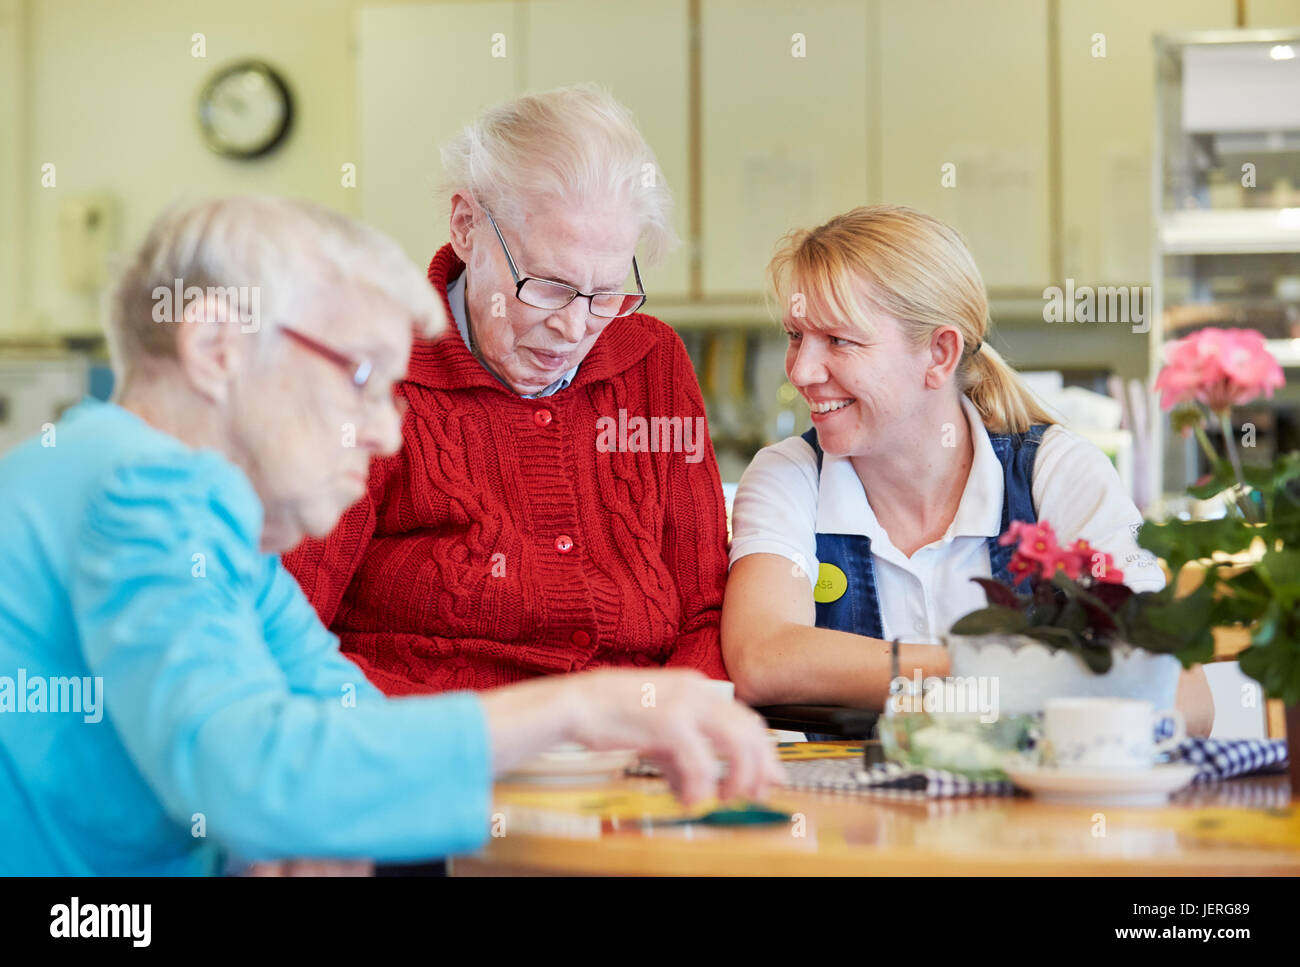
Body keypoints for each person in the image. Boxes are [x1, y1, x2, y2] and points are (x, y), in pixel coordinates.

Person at [0, 196, 782, 876]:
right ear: (217, 350)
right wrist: (577, 705)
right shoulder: (142, 485)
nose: (384, 433)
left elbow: (339, 720)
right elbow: (251, 776)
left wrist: (325, 809)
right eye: (365, 378)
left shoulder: (215, 530)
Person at [285, 85, 732, 694]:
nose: (574, 327)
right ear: (466, 226)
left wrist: (666, 725)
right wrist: (492, 733)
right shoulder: (365, 368)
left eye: (605, 294)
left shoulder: (649, 360)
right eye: (547, 285)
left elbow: (706, 614)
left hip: (633, 761)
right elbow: (281, 630)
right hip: (436, 749)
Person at [721, 205, 1214, 736]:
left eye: (839, 340)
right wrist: (1007, 673)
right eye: (796, 336)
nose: (801, 371)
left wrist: (890, 674)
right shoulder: (790, 474)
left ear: (939, 352)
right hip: (858, 816)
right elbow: (763, 659)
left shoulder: (1055, 472)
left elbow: (1184, 695)